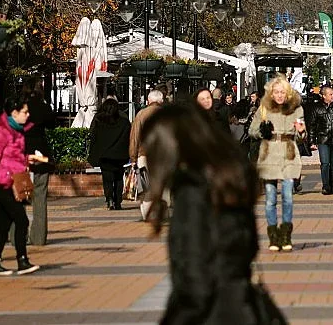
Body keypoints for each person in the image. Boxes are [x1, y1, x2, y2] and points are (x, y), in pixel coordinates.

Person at [140, 102, 264, 323]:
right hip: (239, 307)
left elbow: (195, 287)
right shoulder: (227, 183)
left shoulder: (193, 195)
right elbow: (249, 248)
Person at [0, 95, 43, 276]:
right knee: (21, 220)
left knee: (4, 224)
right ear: (14, 113)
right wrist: (7, 178)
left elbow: (12, 158)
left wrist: (28, 160)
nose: (27, 115)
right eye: (24, 112)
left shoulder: (17, 132)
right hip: (4, 185)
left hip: (15, 181)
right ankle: (22, 260)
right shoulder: (1, 133)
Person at [248, 74, 306, 252]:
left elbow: (301, 136)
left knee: (288, 197)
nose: (279, 95)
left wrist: (302, 132)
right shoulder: (264, 108)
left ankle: (286, 234)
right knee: (270, 198)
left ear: (288, 93)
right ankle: (273, 235)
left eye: (282, 92)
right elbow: (251, 131)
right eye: (276, 92)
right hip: (269, 153)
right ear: (271, 93)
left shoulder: (297, 109)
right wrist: (261, 131)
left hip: (288, 153)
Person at [21, 77, 56, 246]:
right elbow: (52, 124)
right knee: (40, 196)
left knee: (19, 196)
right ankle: (38, 237)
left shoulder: (19, 107)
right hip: (40, 154)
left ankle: (17, 236)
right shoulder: (43, 106)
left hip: (21, 155)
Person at [88, 98, 131, 211]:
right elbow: (128, 138)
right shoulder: (123, 122)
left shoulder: (99, 121)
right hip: (119, 156)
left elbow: (93, 137)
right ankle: (118, 202)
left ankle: (109, 199)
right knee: (118, 178)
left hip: (104, 156)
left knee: (107, 179)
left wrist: (93, 154)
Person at [130, 89, 165, 220]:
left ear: (148, 101)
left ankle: (147, 214)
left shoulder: (140, 115)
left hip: (143, 155)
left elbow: (134, 137)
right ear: (161, 101)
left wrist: (133, 157)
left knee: (144, 186)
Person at [306, 84, 333, 195]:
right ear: (323, 96)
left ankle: (332, 184)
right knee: (325, 163)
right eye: (330, 94)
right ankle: (326, 186)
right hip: (323, 139)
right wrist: (312, 141)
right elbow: (312, 125)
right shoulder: (316, 108)